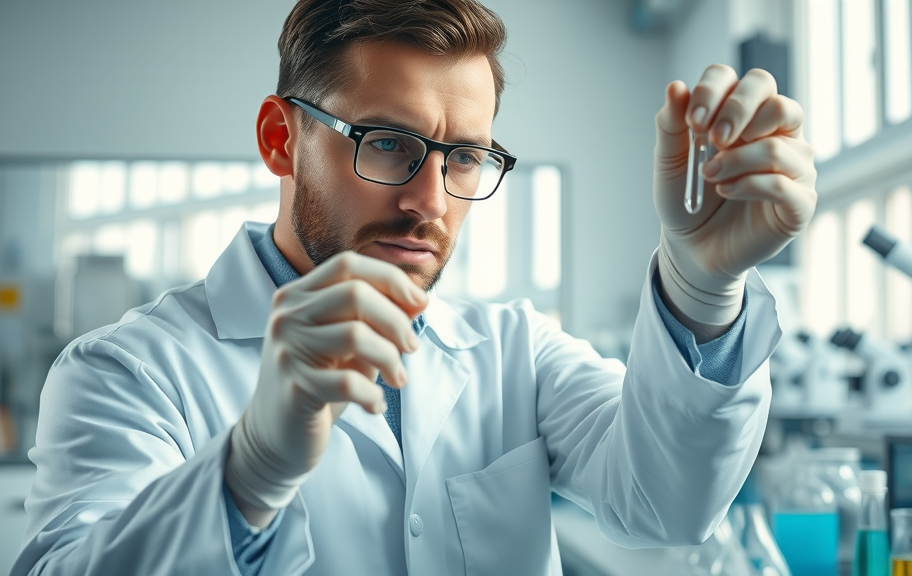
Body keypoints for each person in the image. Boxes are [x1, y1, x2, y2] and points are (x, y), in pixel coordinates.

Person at [12, 0, 817, 574]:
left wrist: (705, 285)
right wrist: (248, 470)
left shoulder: (513, 350)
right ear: (279, 139)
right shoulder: (126, 372)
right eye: (389, 143)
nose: (429, 201)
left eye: (463, 156)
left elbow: (668, 506)